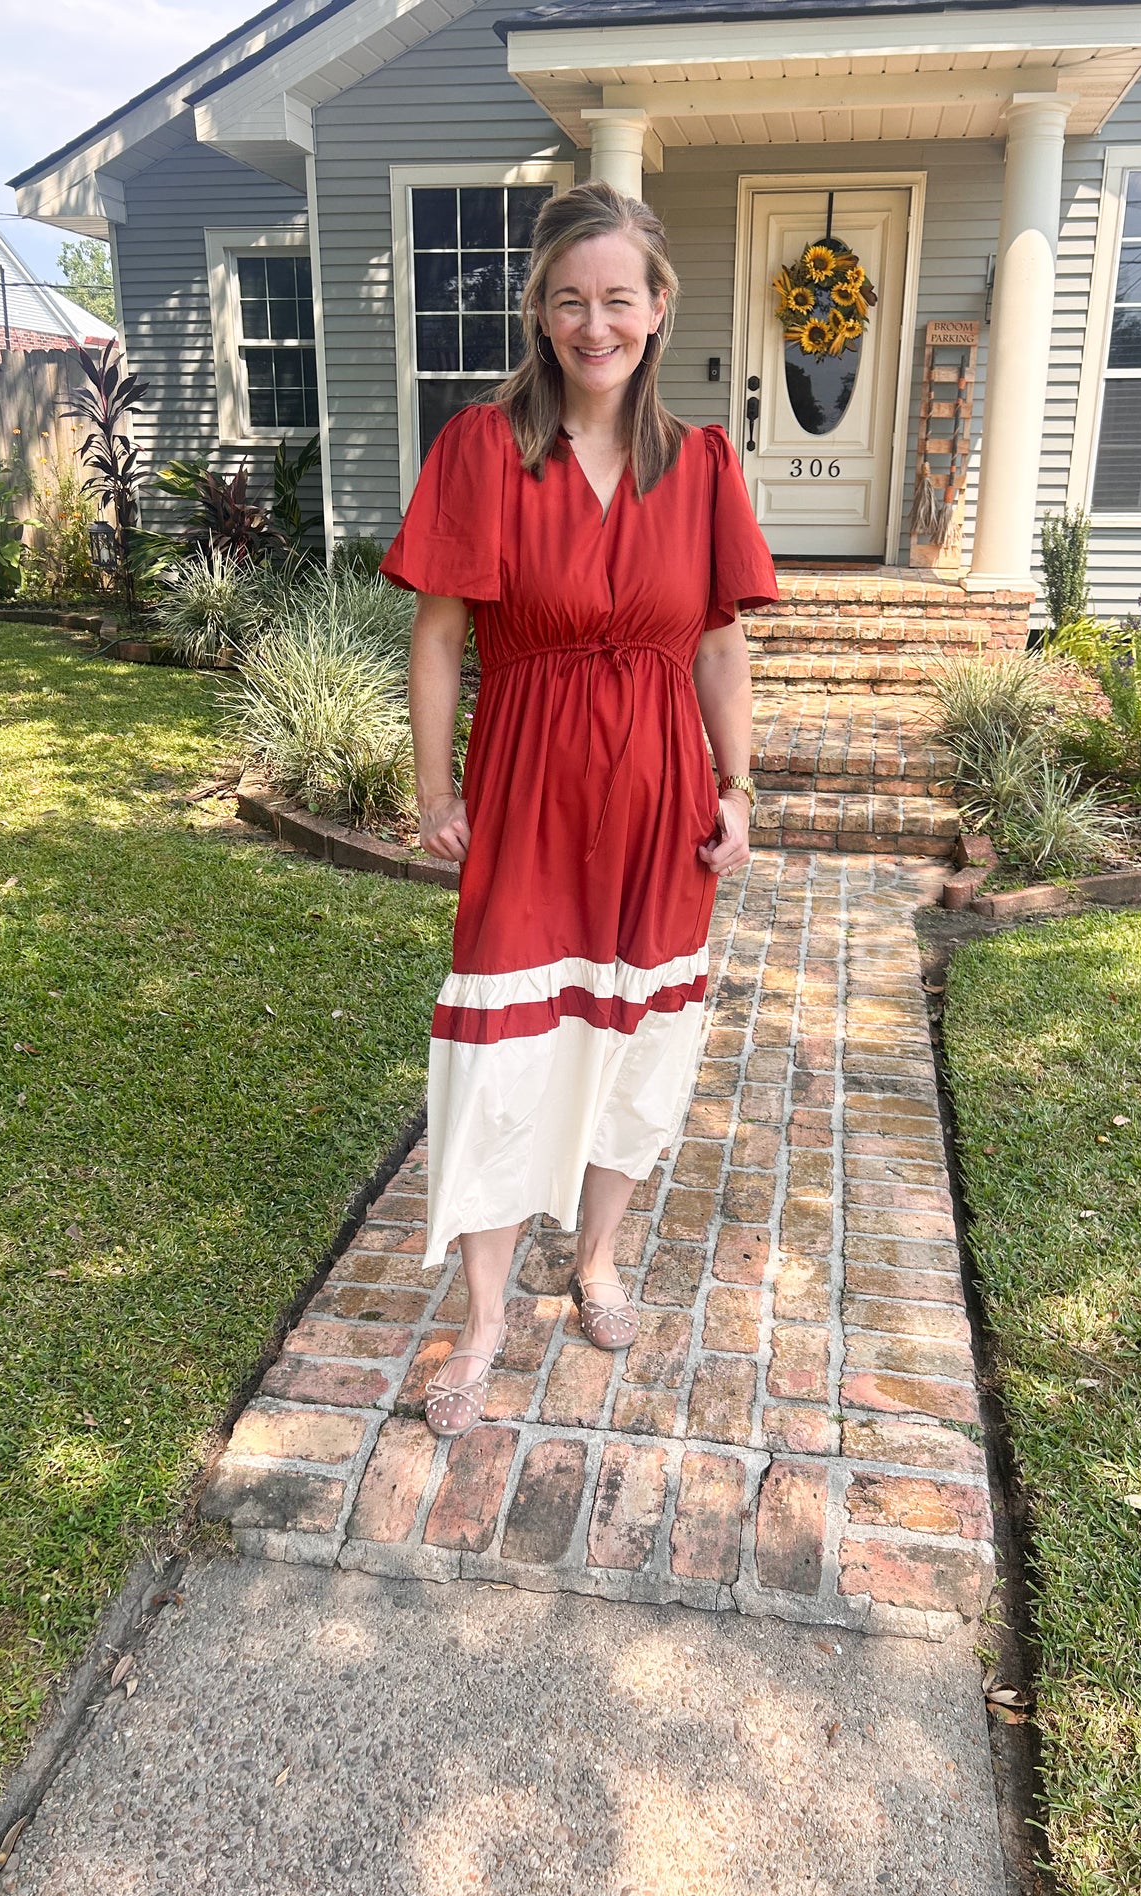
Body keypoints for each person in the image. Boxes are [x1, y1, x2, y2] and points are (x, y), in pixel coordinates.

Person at [379, 178, 779, 1438]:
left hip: (662, 799)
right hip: (530, 792)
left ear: (657, 308)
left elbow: (717, 646)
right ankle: (486, 1317)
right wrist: (436, 788)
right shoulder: (481, 450)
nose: (593, 323)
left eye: (617, 298)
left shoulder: (703, 462)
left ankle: (595, 1259)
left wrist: (738, 786)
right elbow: (439, 636)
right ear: (539, 315)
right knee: (504, 1056)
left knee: (638, 1051)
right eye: (569, 301)